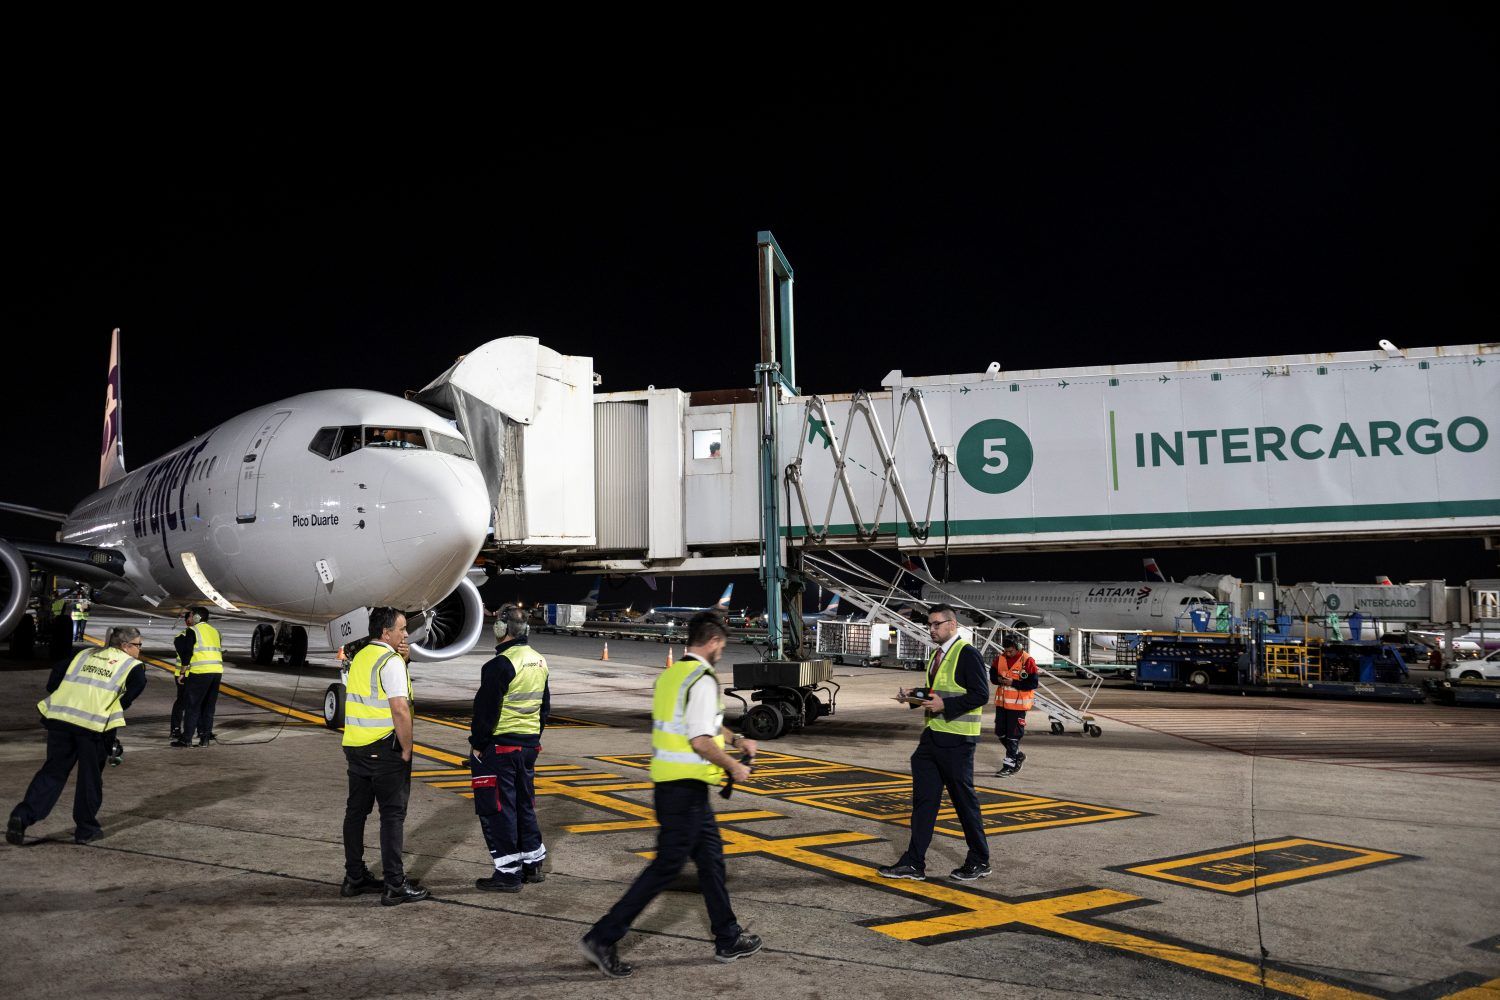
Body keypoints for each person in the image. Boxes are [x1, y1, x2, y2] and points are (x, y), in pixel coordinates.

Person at [579, 612, 762, 978]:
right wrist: (734, 766)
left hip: (674, 785)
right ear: (711, 642)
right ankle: (602, 936)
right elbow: (699, 741)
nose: (721, 653)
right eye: (722, 647)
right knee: (666, 867)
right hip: (685, 790)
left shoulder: (672, 676)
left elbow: (702, 723)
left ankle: (727, 936)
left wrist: (737, 738)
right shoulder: (703, 678)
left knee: (711, 862)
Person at [878, 604, 990, 882]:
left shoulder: (967, 654)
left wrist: (946, 705)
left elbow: (980, 694)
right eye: (929, 625)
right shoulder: (939, 655)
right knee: (923, 803)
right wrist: (914, 696)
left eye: (936, 624)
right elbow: (936, 692)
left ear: (952, 625)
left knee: (964, 803)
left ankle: (980, 860)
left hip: (956, 741)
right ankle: (914, 863)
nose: (931, 629)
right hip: (931, 739)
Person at [7, 626, 148, 845]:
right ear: (125, 646)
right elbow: (131, 695)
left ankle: (22, 816)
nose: (140, 649)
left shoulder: (83, 654)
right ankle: (86, 829)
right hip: (93, 728)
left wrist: (64, 695)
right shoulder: (133, 666)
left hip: (61, 719)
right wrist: (109, 709)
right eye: (138, 645)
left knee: (52, 772)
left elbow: (55, 677)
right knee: (89, 779)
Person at [340, 607, 429, 906]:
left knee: (356, 813)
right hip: (384, 749)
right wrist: (406, 747)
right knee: (392, 816)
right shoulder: (389, 662)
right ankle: (394, 884)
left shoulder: (362, 656)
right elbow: (399, 709)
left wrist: (402, 660)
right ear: (385, 632)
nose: (406, 634)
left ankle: (354, 877)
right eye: (402, 629)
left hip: (356, 746)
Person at [469, 605, 551, 892]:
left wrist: (478, 746)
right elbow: (544, 708)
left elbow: (485, 712)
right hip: (528, 747)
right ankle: (532, 865)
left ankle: (507, 873)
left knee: (498, 808)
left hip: (501, 748)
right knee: (524, 805)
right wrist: (532, 738)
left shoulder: (499, 665)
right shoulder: (540, 661)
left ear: (501, 630)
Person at [171, 607, 223, 748]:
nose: (190, 617)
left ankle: (186, 739)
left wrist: (182, 673)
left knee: (192, 706)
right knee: (209, 707)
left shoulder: (193, 631)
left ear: (198, 617)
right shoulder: (215, 632)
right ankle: (204, 739)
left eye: (192, 615)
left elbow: (187, 654)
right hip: (217, 672)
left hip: (200, 672)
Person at [991, 636, 1039, 777]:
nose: (1008, 654)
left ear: (1017, 648)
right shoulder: (1000, 658)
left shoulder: (1028, 661)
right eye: (1006, 651)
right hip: (1002, 704)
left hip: (1018, 706)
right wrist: (999, 679)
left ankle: (1010, 765)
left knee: (1013, 736)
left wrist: (1013, 683)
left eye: (1011, 651)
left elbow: (1033, 683)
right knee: (1000, 732)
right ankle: (1018, 755)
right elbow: (992, 676)